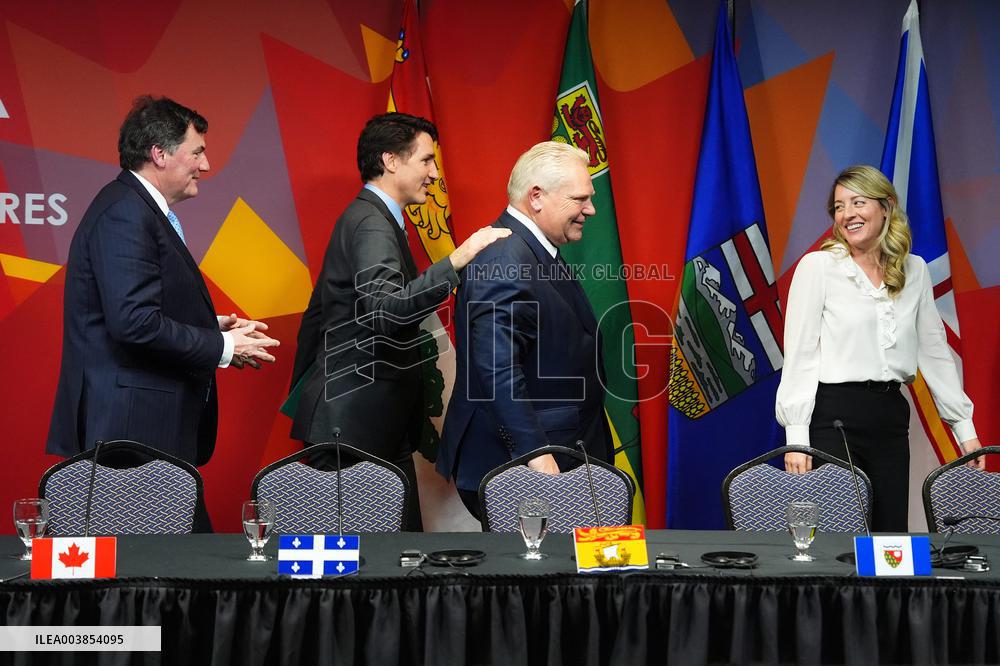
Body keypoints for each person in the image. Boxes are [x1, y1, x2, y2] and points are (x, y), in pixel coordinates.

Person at [289, 112, 510, 531]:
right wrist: (457, 260)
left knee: (393, 559)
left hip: (362, 425)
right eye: (426, 160)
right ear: (390, 160)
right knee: (373, 563)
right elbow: (385, 311)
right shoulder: (372, 223)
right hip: (355, 432)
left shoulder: (372, 218)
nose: (434, 173)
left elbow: (318, 317)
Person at [47, 95, 280, 468]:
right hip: (130, 429)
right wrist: (222, 346)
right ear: (159, 154)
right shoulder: (126, 212)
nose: (206, 164)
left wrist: (209, 327)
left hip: (141, 425)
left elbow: (141, 310)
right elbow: (134, 323)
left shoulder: (135, 207)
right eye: (197, 152)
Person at [777, 164, 982, 532]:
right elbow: (800, 354)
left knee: (890, 538)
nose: (847, 214)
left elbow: (934, 352)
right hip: (833, 417)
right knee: (838, 536)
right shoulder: (819, 267)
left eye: (858, 202)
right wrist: (796, 437)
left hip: (889, 417)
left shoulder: (915, 270)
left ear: (886, 207)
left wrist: (964, 428)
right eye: (839, 206)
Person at [436, 141, 613, 518]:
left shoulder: (531, 247)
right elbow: (497, 369)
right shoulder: (504, 259)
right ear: (536, 197)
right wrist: (537, 455)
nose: (590, 209)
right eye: (580, 199)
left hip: (561, 451)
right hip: (529, 469)